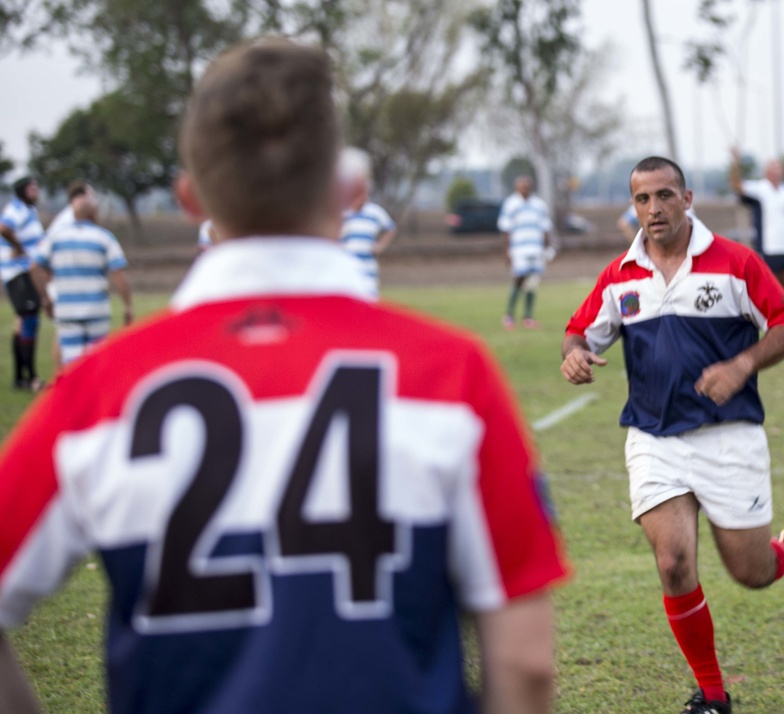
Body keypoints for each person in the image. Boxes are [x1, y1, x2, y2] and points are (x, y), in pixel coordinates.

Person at [0, 39, 569, 714]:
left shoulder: (97, 388)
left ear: (190, 200)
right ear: (349, 188)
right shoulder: (451, 372)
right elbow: (527, 663)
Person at [560, 156, 784, 714]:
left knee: (749, 572)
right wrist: (576, 355)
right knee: (674, 563)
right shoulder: (620, 275)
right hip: (654, 437)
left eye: (664, 196)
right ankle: (711, 696)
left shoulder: (734, 262)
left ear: (687, 199)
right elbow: (578, 331)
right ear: (632, 207)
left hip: (728, 437)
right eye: (642, 200)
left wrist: (742, 365)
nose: (653, 209)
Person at [31, 181, 133, 366]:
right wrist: (127, 305)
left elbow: (35, 266)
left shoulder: (56, 236)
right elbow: (117, 272)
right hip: (96, 308)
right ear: (94, 215)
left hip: (67, 308)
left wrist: (46, 298)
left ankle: (71, 392)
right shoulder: (104, 237)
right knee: (97, 360)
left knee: (72, 364)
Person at [729, 148, 784, 292]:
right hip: (769, 247)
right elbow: (736, 186)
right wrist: (736, 163)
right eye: (774, 167)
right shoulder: (760, 190)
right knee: (770, 289)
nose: (778, 171)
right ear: (767, 171)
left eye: (780, 167)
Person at [0, 175, 46, 391]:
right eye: (32, 189)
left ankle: (20, 379)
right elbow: (4, 228)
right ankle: (32, 377)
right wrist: (17, 248)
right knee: (29, 319)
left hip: (26, 271)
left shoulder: (29, 211)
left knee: (23, 322)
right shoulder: (15, 209)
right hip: (17, 271)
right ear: (21, 192)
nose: (36, 192)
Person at [338, 147, 396, 296]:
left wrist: (380, 246)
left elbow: (390, 228)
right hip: (345, 268)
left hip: (368, 269)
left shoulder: (374, 212)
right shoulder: (342, 212)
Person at [498, 175, 552, 329]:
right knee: (518, 279)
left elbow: (545, 228)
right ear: (517, 187)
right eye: (521, 186)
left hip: (535, 248)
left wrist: (547, 248)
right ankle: (509, 315)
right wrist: (506, 251)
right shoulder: (511, 204)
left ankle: (528, 317)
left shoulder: (539, 204)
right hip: (518, 249)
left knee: (532, 283)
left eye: (527, 186)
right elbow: (505, 229)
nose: (524, 189)